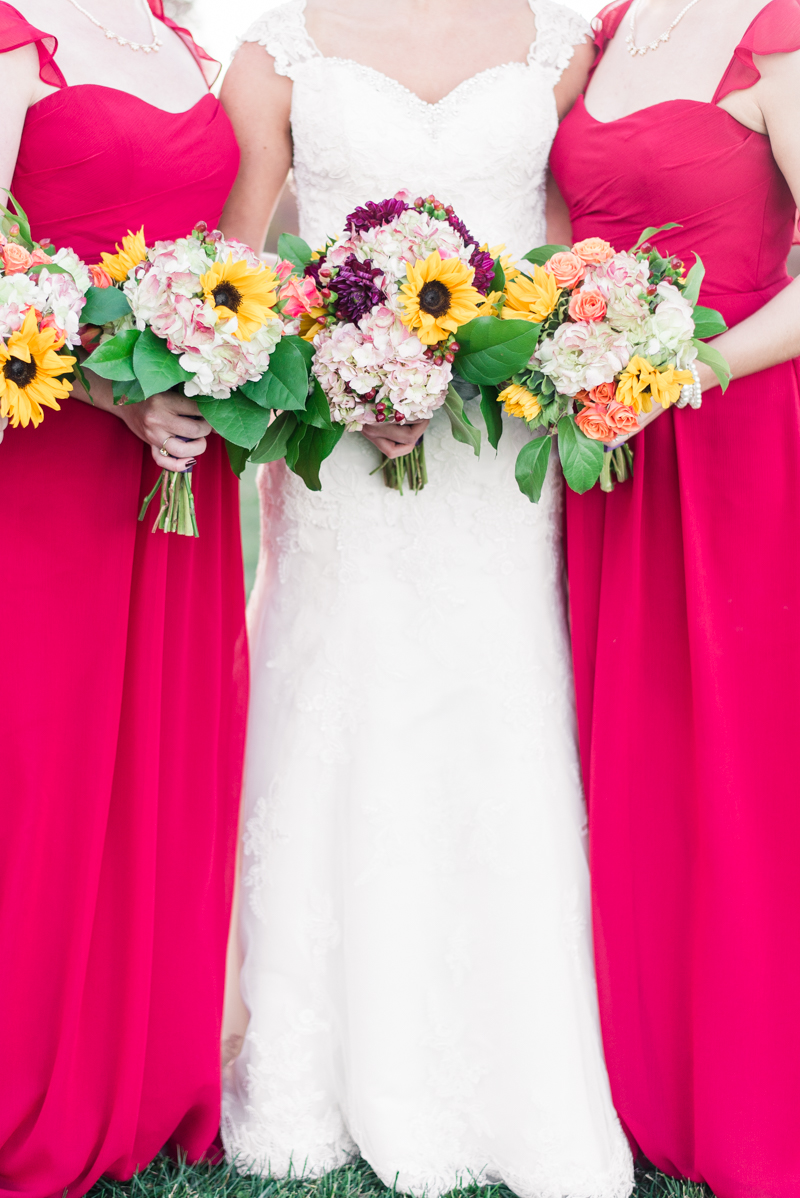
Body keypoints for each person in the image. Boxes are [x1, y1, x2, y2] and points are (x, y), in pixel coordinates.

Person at [218, 3, 633, 1195]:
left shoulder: (561, 32)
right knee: (340, 704)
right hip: (343, 456)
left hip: (498, 460)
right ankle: (309, 1064)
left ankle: (518, 1065)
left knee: (497, 705)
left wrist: (513, 353)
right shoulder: (276, 32)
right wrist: (346, 369)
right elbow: (240, 261)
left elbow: (565, 248)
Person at [549, 1, 800, 1194]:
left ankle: (751, 1089)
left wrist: (686, 368)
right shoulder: (611, 24)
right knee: (632, 750)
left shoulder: (777, 29)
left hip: (736, 435)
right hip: (611, 455)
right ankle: (646, 1074)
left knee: (745, 762)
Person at [0, 1, 246, 1192]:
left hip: (189, 453)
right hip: (55, 453)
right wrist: (113, 394)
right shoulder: (11, 34)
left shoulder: (182, 36)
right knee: (44, 765)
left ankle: (142, 1068)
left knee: (163, 758)